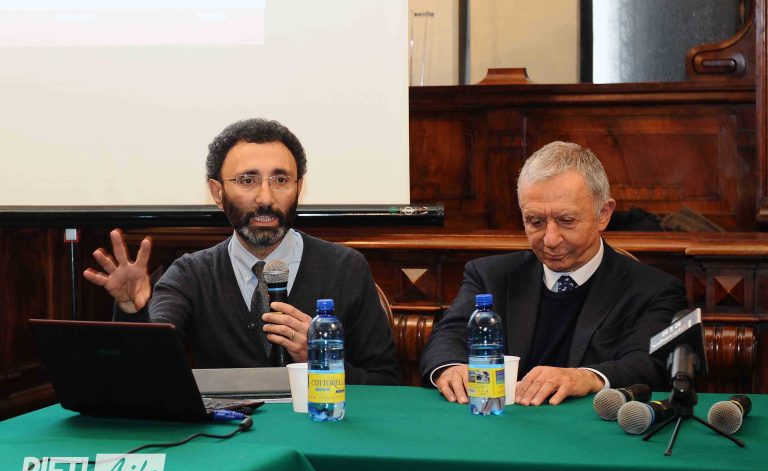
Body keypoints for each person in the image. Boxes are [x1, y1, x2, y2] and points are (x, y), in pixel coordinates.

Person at [84, 118, 400, 385]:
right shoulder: (191, 275)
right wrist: (132, 311)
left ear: (298, 187)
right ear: (217, 192)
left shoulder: (345, 268)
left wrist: (320, 360)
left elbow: (387, 382)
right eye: (247, 180)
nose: (266, 198)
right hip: (225, 434)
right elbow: (148, 370)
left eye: (281, 180)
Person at [419, 141, 687, 405]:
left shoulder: (653, 290)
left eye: (566, 221)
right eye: (535, 221)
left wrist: (588, 377)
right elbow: (447, 338)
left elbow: (648, 365)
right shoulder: (490, 275)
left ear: (603, 214)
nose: (550, 239)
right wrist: (451, 368)